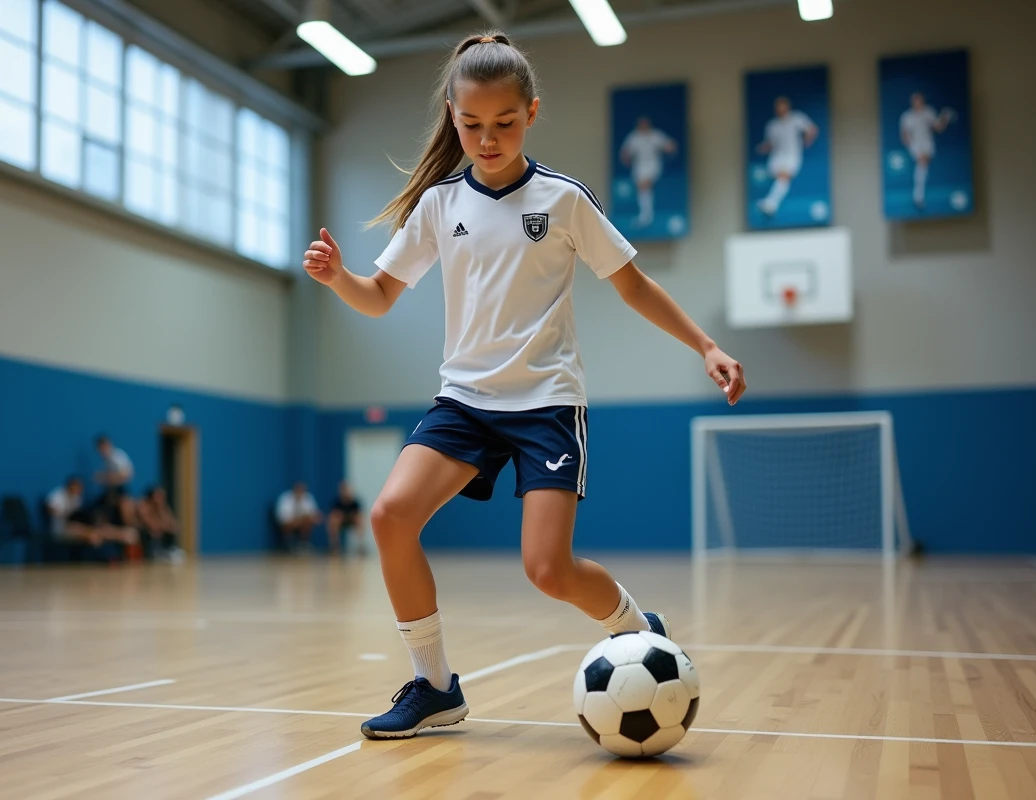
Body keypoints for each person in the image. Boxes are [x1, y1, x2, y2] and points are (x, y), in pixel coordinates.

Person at [302, 30, 745, 741]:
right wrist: (338, 279)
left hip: (546, 404)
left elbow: (634, 285)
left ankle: (641, 631)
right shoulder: (441, 205)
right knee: (388, 516)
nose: (487, 138)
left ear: (531, 113)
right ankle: (435, 685)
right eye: (472, 124)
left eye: (504, 123)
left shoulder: (564, 201)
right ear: (453, 116)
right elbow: (379, 295)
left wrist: (707, 345)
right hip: (465, 402)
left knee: (547, 568)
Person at [755, 96, 818, 216]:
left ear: (787, 106)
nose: (780, 109)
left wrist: (807, 141)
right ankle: (770, 203)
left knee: (783, 177)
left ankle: (771, 204)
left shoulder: (796, 118)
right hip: (776, 157)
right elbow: (770, 144)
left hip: (792, 156)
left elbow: (812, 129)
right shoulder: (772, 125)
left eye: (782, 106)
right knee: (779, 179)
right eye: (778, 106)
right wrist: (763, 148)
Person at [45, 476, 136, 548]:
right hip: (60, 529)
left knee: (96, 532)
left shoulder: (76, 498)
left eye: (80, 488)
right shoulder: (58, 495)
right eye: (77, 488)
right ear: (70, 486)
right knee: (93, 535)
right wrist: (62, 514)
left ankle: (121, 535)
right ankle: (120, 535)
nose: (79, 491)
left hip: (75, 524)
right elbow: (50, 509)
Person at [620, 116, 677, 227]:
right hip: (639, 166)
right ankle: (645, 215)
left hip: (653, 164)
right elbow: (625, 151)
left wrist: (669, 148)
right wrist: (626, 158)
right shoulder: (634, 137)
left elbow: (669, 145)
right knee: (642, 188)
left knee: (644, 185)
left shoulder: (655, 135)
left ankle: (646, 216)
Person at [900, 92, 954, 209]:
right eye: (916, 101)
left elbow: (938, 127)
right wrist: (911, 147)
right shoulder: (907, 116)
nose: (918, 103)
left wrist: (945, 117)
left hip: (927, 144)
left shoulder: (928, 112)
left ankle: (919, 196)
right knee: (922, 164)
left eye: (920, 100)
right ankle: (918, 197)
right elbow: (904, 134)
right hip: (915, 145)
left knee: (923, 168)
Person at [137, 486, 185, 563]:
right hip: (145, 534)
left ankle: (167, 550)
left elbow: (175, 526)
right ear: (152, 496)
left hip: (158, 533)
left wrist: (161, 509)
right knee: (153, 532)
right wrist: (164, 526)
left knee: (168, 531)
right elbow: (152, 525)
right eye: (158, 496)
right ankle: (153, 553)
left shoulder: (162, 507)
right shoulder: (143, 506)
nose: (161, 498)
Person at [276, 482, 322, 551]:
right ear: (294, 490)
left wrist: (314, 517)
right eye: (298, 490)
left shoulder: (308, 497)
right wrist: (297, 520)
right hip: (287, 522)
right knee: (288, 524)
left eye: (302, 491)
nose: (300, 493)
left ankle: (303, 544)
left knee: (308, 521)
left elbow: (314, 513)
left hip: (301, 522)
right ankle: (288, 543)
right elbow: (282, 517)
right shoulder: (285, 498)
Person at [327, 481, 364, 556]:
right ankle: (335, 547)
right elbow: (333, 515)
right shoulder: (337, 502)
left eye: (347, 490)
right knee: (333, 521)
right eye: (344, 490)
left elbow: (358, 514)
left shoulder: (355, 503)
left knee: (360, 520)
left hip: (351, 521)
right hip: (340, 522)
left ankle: (360, 546)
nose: (346, 492)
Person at [94, 435, 134, 501]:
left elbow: (127, 474)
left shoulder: (117, 456)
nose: (102, 451)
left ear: (109, 444)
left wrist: (106, 477)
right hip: (111, 491)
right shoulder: (106, 461)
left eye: (103, 447)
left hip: (121, 491)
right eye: (100, 449)